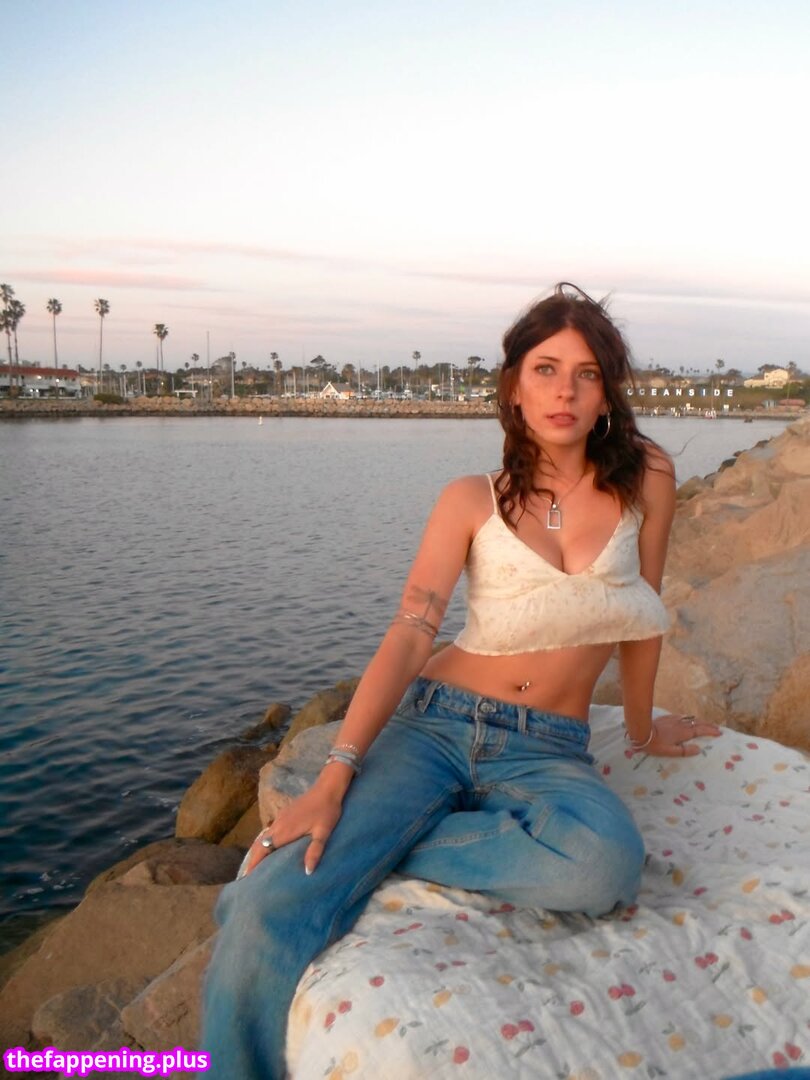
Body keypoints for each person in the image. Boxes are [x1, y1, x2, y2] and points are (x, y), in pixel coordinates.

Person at [200, 283, 721, 1078]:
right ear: (513, 387)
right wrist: (337, 776)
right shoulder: (470, 499)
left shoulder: (645, 476)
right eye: (546, 370)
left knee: (603, 866)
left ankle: (389, 844)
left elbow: (642, 613)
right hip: (437, 726)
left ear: (606, 392)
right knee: (268, 907)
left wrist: (644, 729)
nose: (565, 391)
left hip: (548, 747)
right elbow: (412, 632)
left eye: (586, 373)